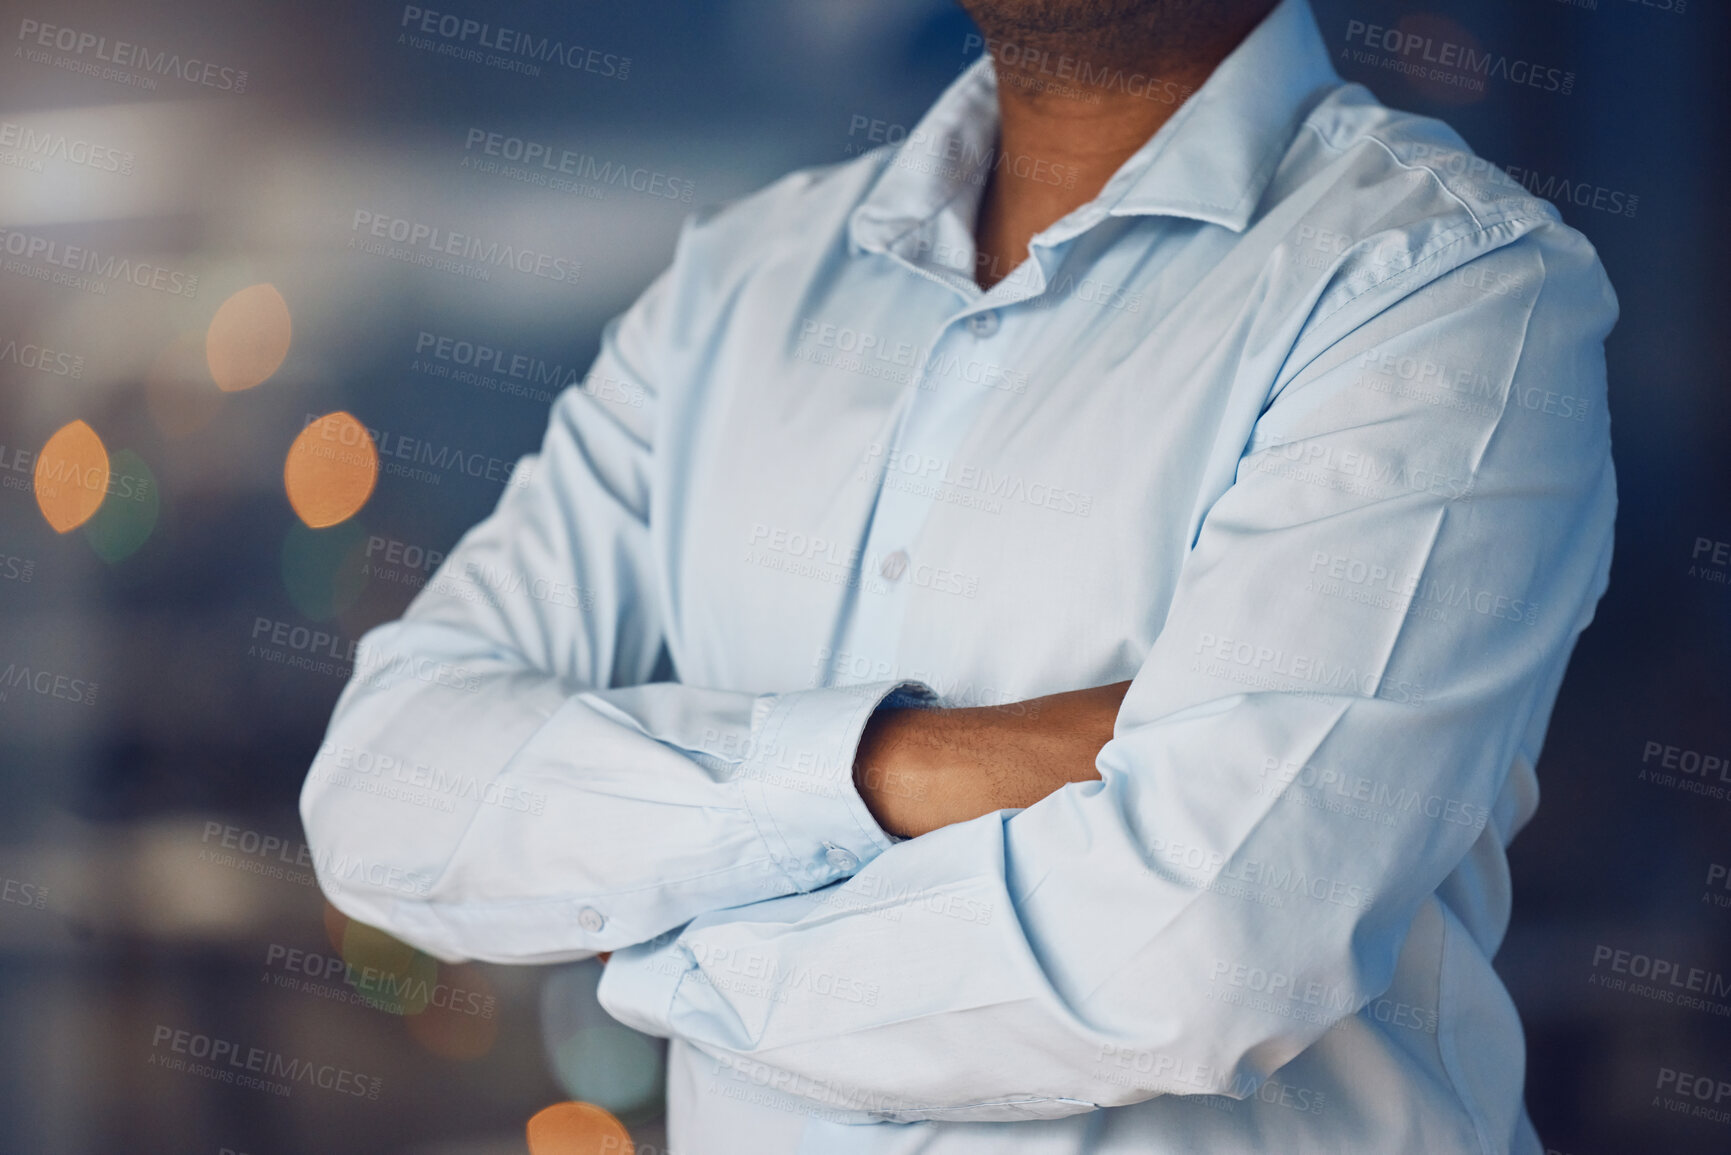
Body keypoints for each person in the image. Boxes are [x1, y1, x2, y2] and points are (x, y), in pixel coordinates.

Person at [300, 0, 1617, 1150]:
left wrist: (654, 935)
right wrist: (895, 769)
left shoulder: (1444, 290)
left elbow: (1201, 949)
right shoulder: (732, 291)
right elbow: (386, 792)